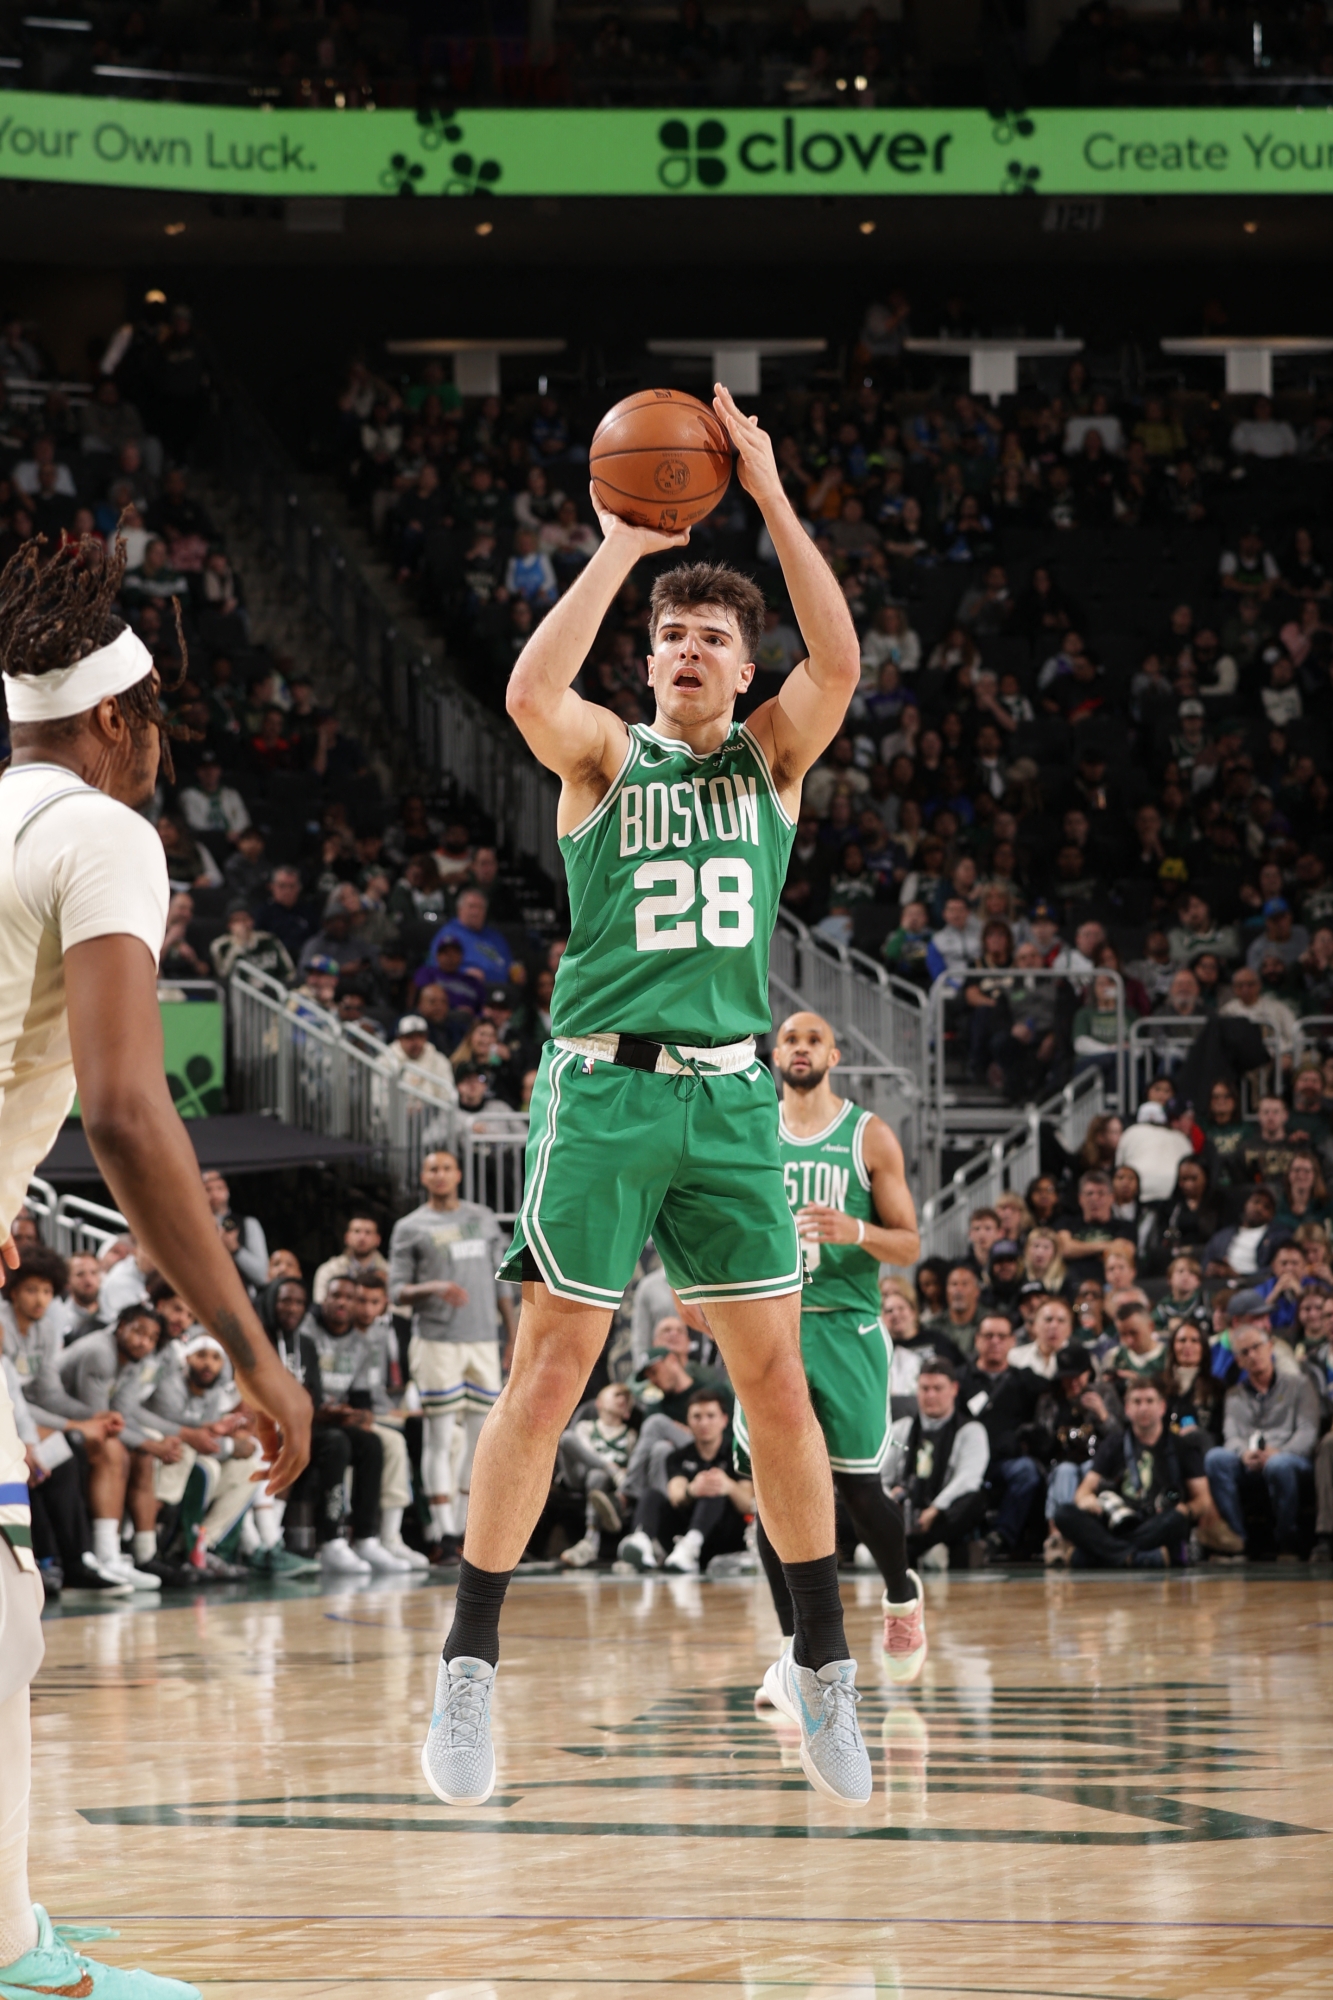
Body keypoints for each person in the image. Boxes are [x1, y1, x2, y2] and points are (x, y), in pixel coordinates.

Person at [421, 384, 872, 1812]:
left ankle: (824, 1660)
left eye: (713, 636)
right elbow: (526, 696)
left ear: (743, 667)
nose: (688, 647)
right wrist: (622, 544)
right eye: (672, 633)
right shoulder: (604, 755)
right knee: (549, 1374)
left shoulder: (772, 760)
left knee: (776, 1388)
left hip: (732, 1101)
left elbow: (842, 659)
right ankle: (468, 1665)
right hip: (605, 1092)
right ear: (649, 657)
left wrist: (773, 494)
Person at [0, 528, 309, 1998]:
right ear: (118, 718)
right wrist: (251, 1347)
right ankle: (13, 1953)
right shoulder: (102, 831)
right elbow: (128, 1111)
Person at [743, 1011, 925, 1686]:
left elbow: (910, 1244)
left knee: (857, 1488)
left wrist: (857, 1230)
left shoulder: (867, 1134)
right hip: (769, 1325)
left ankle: (901, 1596)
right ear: (774, 1054)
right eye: (789, 1038)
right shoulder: (752, 1128)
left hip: (845, 1326)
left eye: (812, 1039)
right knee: (772, 1490)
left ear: (834, 1055)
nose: (800, 1048)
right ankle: (795, 1650)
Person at [389, 1150, 507, 1560]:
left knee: (480, 1440)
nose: (440, 1174)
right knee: (439, 1438)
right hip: (436, 1340)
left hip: (483, 1338)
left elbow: (503, 1282)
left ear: (458, 1173)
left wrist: (511, 1335)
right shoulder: (410, 1226)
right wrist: (434, 1287)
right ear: (423, 1177)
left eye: (446, 1168)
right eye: (432, 1169)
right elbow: (395, 1291)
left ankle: (463, 1530)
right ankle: (442, 1532)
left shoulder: (483, 1218)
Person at [1052, 1378, 1209, 1568]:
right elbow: (1083, 1491)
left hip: (1158, 1521)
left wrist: (1187, 1509)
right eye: (1137, 1402)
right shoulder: (1114, 1443)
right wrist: (1087, 1500)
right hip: (1119, 1520)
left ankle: (1102, 1555)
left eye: (1149, 1401)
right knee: (1063, 1514)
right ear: (1127, 1408)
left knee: (1177, 1520)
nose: (1143, 1408)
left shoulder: (1182, 1446)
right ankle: (1137, 1558)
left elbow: (1203, 1500)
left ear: (1162, 1407)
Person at [1204, 1302, 1319, 1560]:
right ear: (1238, 1360)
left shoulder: (1300, 1385)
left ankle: (1287, 1541)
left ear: (1270, 1347)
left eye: (1257, 1347)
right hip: (1251, 1460)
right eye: (1244, 1352)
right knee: (1216, 1458)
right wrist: (1243, 1454)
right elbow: (1231, 1436)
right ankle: (1238, 1541)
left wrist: (1279, 1452)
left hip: (1290, 1459)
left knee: (1279, 1465)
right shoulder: (1234, 1394)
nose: (1253, 1355)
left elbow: (1307, 1433)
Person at [618, 1387, 752, 1575]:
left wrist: (727, 1485)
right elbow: (676, 1495)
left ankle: (691, 1545)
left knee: (714, 1488)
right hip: (680, 1536)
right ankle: (642, 1541)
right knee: (652, 1495)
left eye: (710, 1416)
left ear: (724, 1420)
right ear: (688, 1421)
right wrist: (692, 1489)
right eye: (697, 1417)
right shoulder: (678, 1457)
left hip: (724, 1535)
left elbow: (748, 1504)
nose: (704, 1423)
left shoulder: (737, 1455)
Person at [884, 1360, 990, 1570]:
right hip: (900, 1516)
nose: (930, 1395)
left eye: (938, 1388)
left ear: (954, 1389)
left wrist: (935, 1509)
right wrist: (889, 1498)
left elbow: (968, 1479)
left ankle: (908, 1550)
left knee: (974, 1500)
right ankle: (913, 1550)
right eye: (925, 1389)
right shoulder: (901, 1429)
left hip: (940, 1518)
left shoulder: (971, 1431)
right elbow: (880, 1477)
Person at [557, 1382, 639, 1568]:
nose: (622, 1399)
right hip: (578, 1476)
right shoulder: (586, 1427)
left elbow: (633, 1466)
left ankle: (591, 1539)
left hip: (608, 1484)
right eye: (616, 1394)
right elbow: (584, 1454)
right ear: (599, 1403)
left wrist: (623, 1472)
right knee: (567, 1437)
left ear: (627, 1413)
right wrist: (611, 1468)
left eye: (626, 1398)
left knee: (597, 1476)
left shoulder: (630, 1436)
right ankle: (609, 1470)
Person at [312, 1214, 389, 1305]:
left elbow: (397, 1308)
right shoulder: (329, 1271)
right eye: (357, 1231)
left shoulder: (389, 1272)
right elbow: (320, 1304)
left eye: (368, 1232)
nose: (362, 1237)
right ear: (346, 1237)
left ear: (378, 1239)